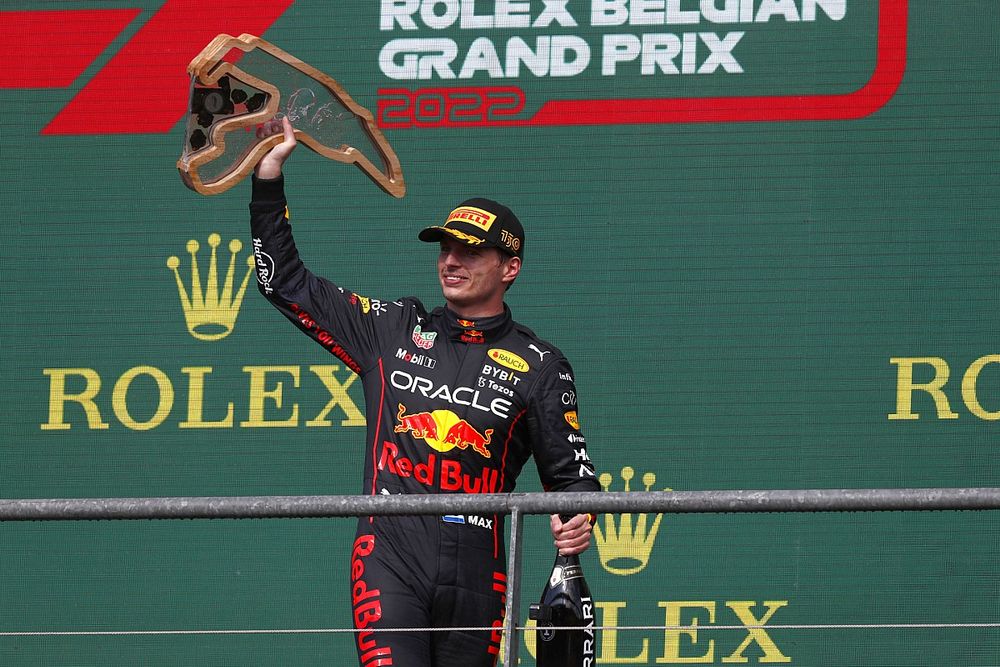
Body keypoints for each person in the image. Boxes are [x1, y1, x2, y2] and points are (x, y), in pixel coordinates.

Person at [249, 117, 599, 667]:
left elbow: (573, 480)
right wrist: (268, 179)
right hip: (389, 553)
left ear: (511, 268)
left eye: (470, 252)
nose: (451, 261)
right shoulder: (391, 328)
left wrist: (576, 516)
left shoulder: (541, 365)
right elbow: (284, 282)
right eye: (445, 249)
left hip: (479, 567)